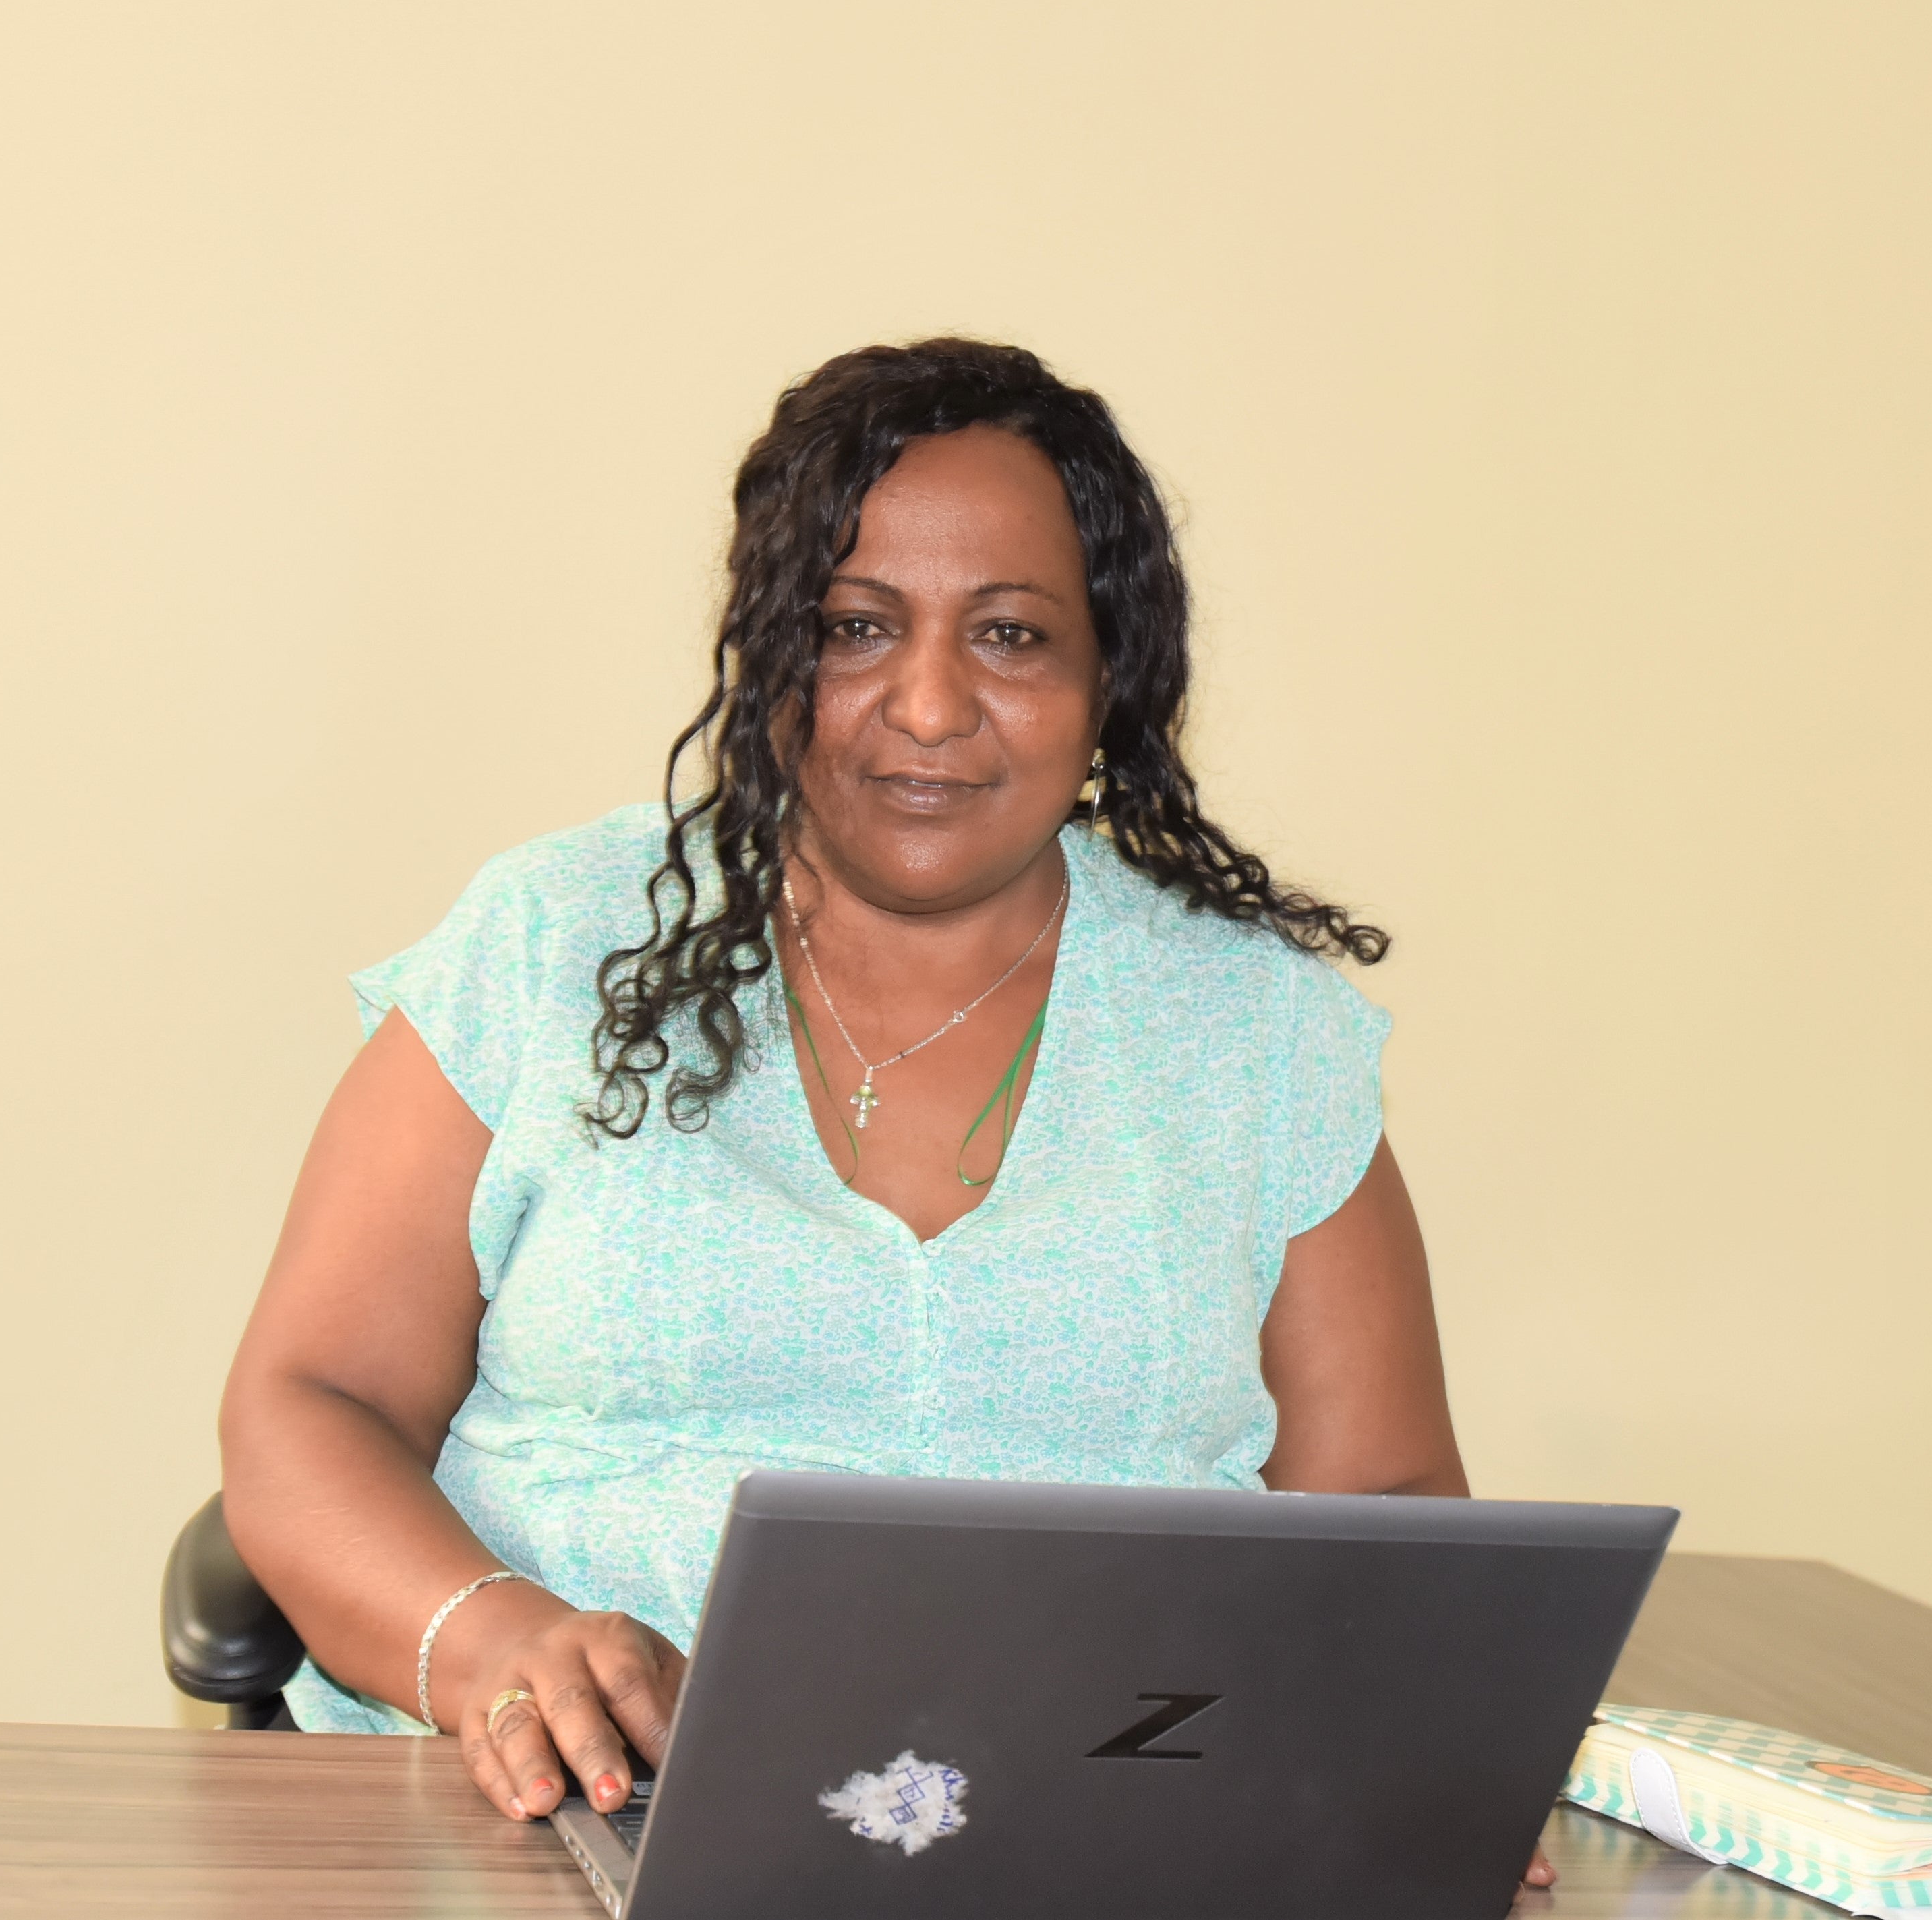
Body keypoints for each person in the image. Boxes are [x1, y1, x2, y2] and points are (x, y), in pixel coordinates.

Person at [218, 338, 1539, 1881]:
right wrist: (482, 1634)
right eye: (856, 628)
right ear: (772, 654)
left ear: (1109, 676)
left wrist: (1395, 1733)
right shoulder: (550, 941)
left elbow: (1381, 1518)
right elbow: (312, 1399)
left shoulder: (1256, 1032)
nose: (927, 705)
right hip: (542, 1827)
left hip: (1097, 1849)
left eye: (1011, 635)